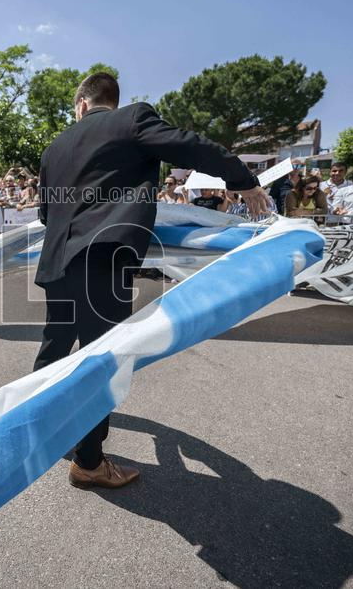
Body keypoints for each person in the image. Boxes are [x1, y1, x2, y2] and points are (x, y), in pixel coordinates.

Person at [35, 72, 267, 489]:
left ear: (81, 105)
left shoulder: (55, 146)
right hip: (102, 260)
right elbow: (191, 146)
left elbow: (44, 212)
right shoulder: (132, 119)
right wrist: (242, 178)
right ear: (108, 101)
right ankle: (87, 463)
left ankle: (34, 432)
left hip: (57, 264)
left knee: (54, 352)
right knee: (100, 363)